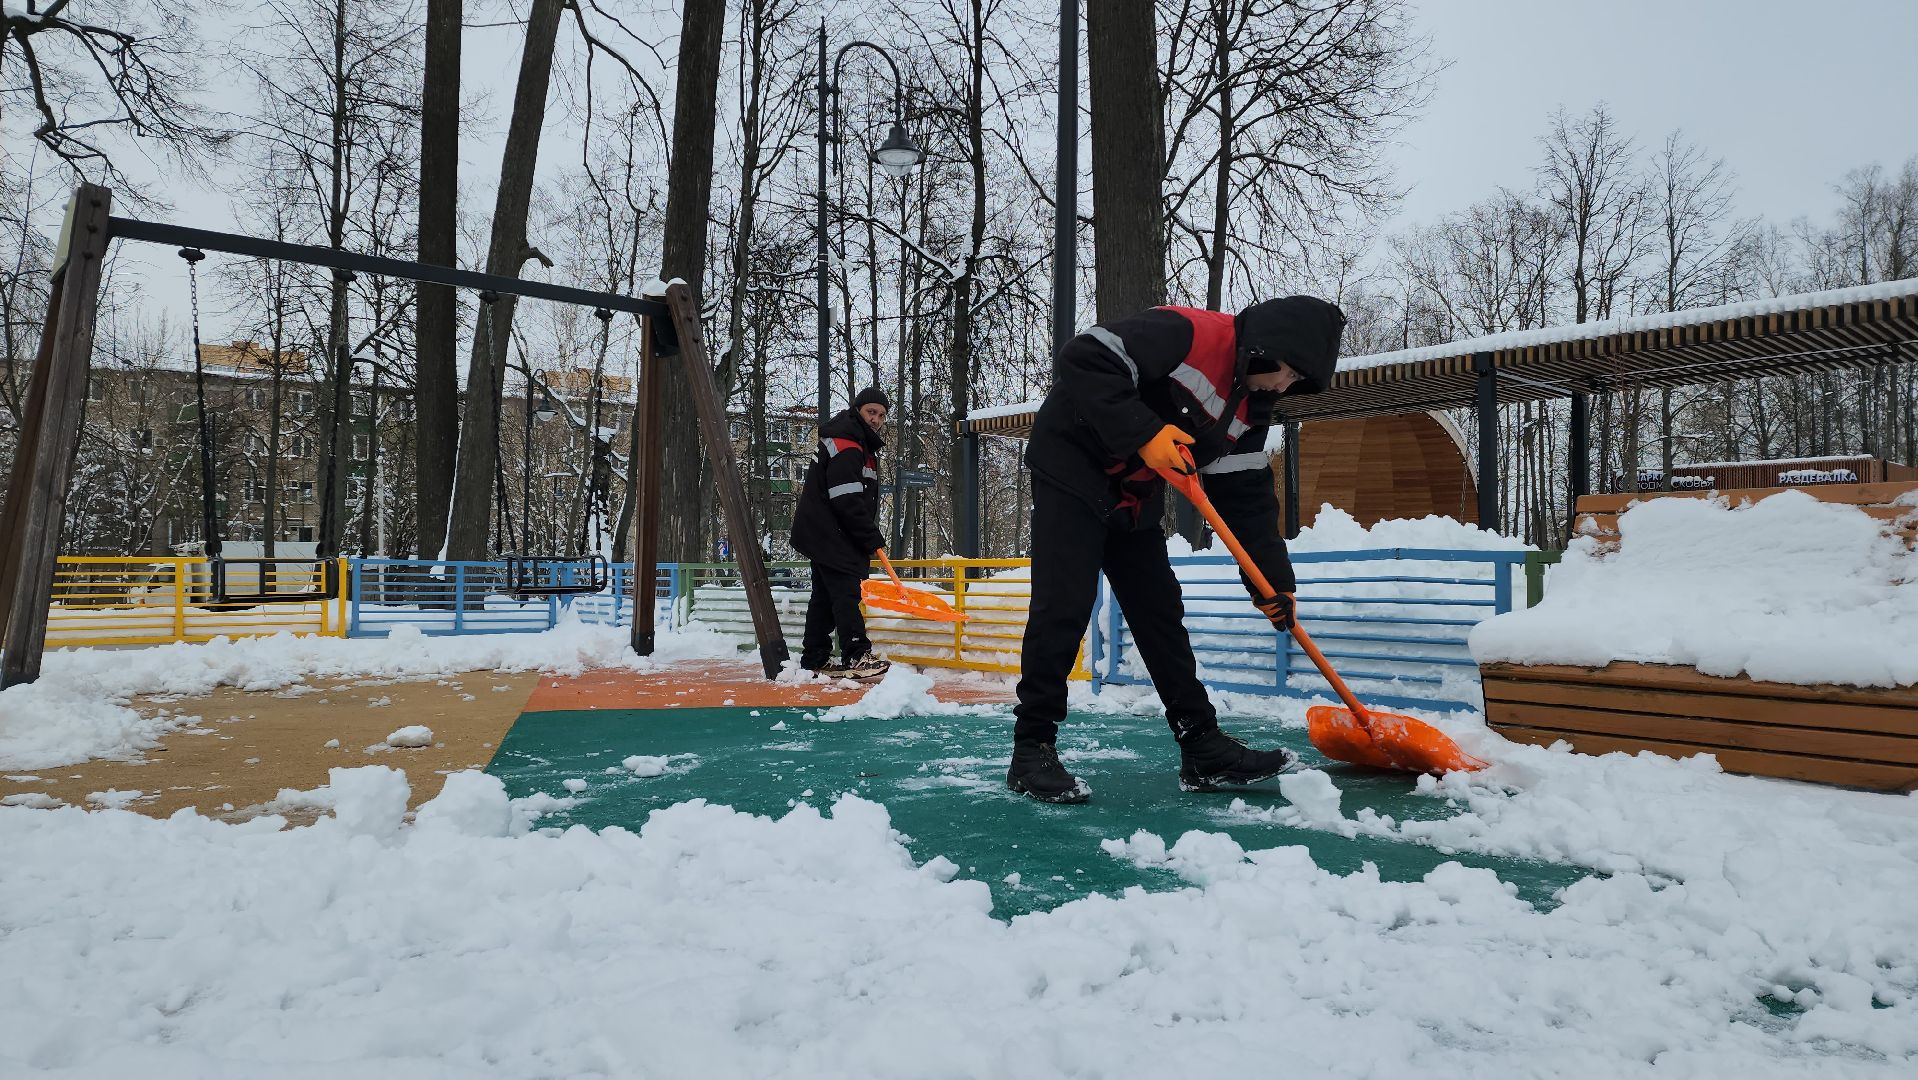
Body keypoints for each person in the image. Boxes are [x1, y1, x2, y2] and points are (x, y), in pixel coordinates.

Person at [1007, 296, 1346, 803]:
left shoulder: (1254, 408)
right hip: (1072, 473)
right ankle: (1031, 749)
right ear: (1265, 349)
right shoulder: (1189, 333)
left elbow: (1247, 499)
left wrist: (1273, 581)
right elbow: (1085, 356)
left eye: (1297, 381)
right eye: (1289, 373)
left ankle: (1202, 745)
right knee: (1064, 605)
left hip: (1135, 495)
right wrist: (1143, 432)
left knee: (1159, 613)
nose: (1285, 386)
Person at [791, 387, 893, 680]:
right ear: (857, 411)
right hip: (830, 532)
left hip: (824, 532)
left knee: (824, 596)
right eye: (871, 412)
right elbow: (846, 499)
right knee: (848, 593)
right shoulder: (847, 443)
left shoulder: (856, 441)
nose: (876, 419)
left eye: (882, 415)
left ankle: (815, 658)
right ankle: (857, 655)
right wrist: (870, 537)